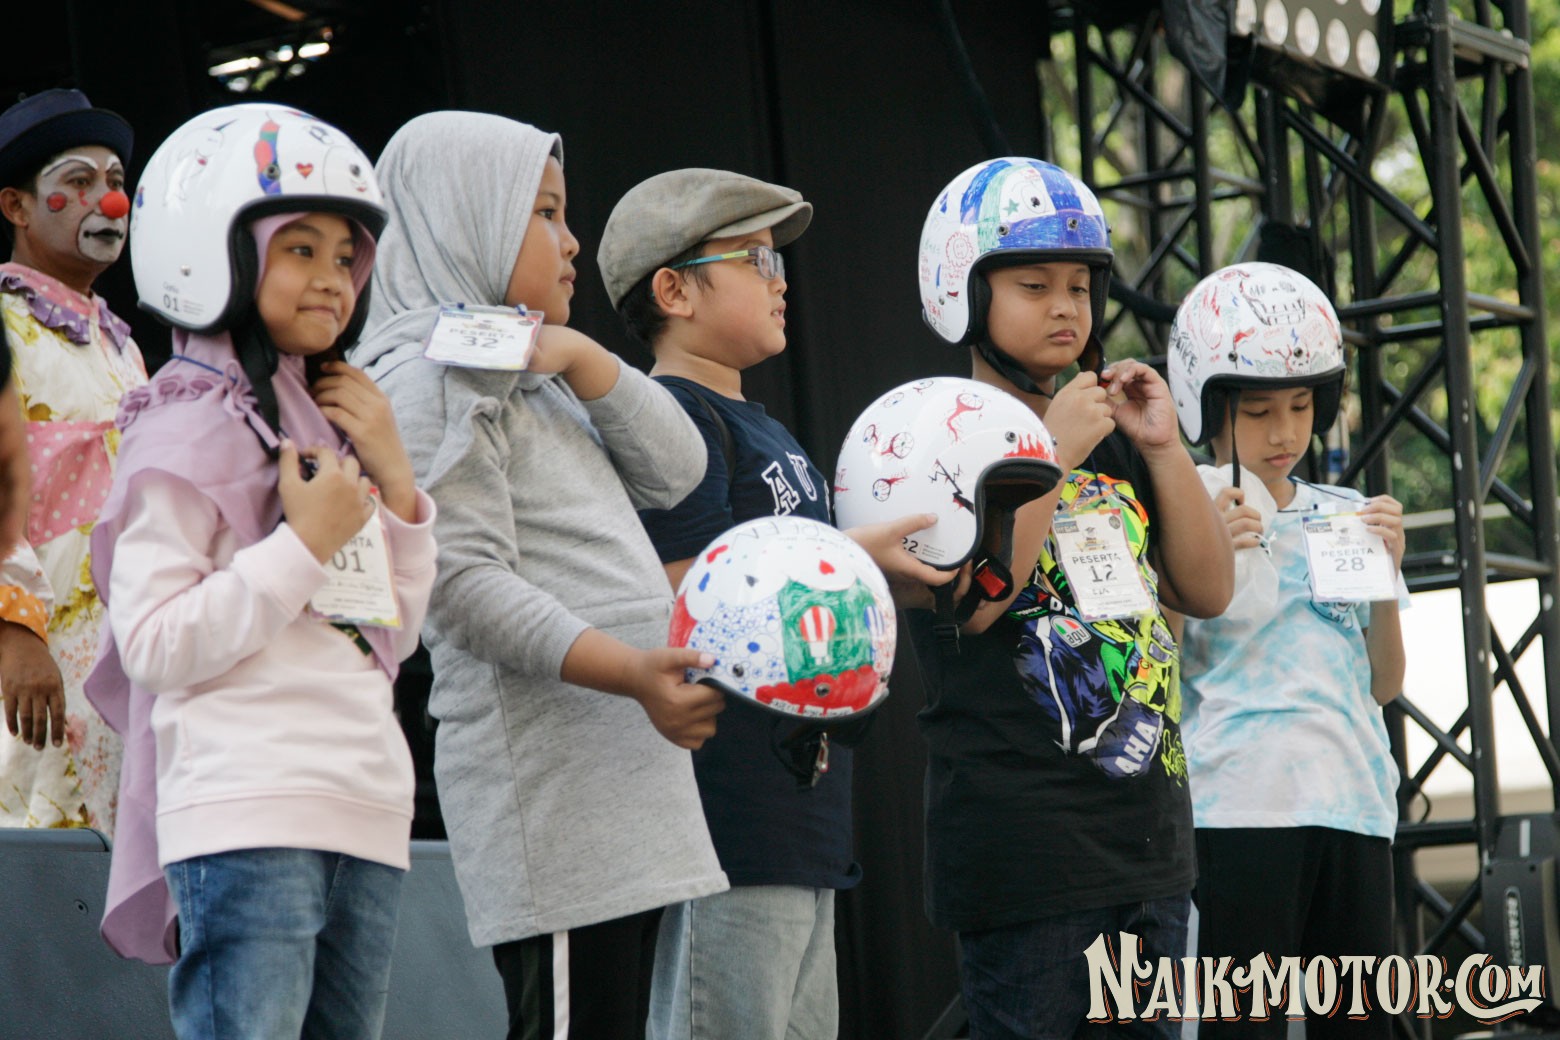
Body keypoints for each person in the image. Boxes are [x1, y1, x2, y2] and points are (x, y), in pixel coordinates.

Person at [350, 112, 727, 1040]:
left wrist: (586, 357)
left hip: (624, 797)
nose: (572, 241)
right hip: (560, 809)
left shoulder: (535, 367)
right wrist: (632, 671)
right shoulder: (428, 374)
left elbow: (680, 470)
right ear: (467, 220)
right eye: (546, 213)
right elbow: (462, 587)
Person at [85, 105, 436, 1040]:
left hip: (364, 803)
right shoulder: (182, 427)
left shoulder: (332, 424)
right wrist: (302, 545)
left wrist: (397, 484)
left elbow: (387, 634)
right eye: (301, 249)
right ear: (215, 251)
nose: (332, 279)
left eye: (347, 257)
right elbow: (154, 643)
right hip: (246, 808)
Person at [597, 168, 946, 1040]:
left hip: (800, 816)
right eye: (756, 260)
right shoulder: (672, 417)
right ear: (674, 291)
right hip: (732, 819)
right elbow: (693, 605)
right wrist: (849, 559)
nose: (781, 280)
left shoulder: (763, 426)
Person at [904, 157, 1233, 1038]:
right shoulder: (933, 435)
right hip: (1027, 857)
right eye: (1034, 285)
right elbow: (974, 601)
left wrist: (1161, 448)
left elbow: (1207, 590)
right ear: (963, 292)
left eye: (1081, 287)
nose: (1065, 307)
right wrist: (1047, 457)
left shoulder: (1109, 435)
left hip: (1148, 845)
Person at [1166, 262, 1405, 1037]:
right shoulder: (1185, 508)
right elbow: (1155, 677)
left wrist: (1387, 577)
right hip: (1236, 806)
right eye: (1260, 410)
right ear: (1207, 407)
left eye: (1302, 406)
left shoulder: (1348, 512)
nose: (1284, 432)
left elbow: (1384, 683)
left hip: (1354, 805)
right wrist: (1194, 559)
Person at [0, 87, 146, 832]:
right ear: (17, 207)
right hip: (37, 640)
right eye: (79, 181)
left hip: (127, 640)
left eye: (115, 181)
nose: (108, 201)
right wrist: (15, 633)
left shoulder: (124, 344)